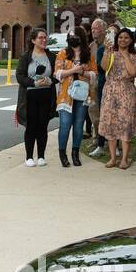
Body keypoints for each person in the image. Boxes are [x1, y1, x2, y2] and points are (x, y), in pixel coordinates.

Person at [97, 26, 136, 168]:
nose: (123, 40)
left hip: (126, 91)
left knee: (125, 124)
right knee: (111, 123)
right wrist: (106, 51)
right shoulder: (111, 52)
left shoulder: (134, 55)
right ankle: (113, 158)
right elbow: (103, 67)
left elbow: (133, 72)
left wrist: (125, 55)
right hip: (110, 90)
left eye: (126, 37)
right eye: (120, 37)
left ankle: (124, 159)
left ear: (131, 40)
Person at [53, 26, 96, 167]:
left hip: (83, 95)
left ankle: (75, 153)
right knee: (65, 125)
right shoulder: (62, 53)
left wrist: (83, 72)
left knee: (78, 125)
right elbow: (57, 74)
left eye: (75, 37)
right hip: (66, 96)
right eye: (70, 37)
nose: (72, 39)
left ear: (81, 38)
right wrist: (73, 70)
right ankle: (62, 154)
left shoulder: (88, 54)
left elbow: (94, 74)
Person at [16, 28, 57, 166]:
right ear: (33, 40)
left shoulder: (51, 57)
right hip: (30, 95)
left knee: (43, 126)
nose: (44, 40)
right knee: (31, 126)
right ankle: (29, 157)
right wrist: (33, 82)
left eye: (45, 37)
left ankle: (41, 156)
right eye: (40, 38)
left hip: (46, 95)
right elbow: (20, 76)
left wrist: (50, 81)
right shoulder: (26, 57)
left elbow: (57, 75)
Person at [87, 18, 108, 157]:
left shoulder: (109, 44)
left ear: (103, 30)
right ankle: (97, 138)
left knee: (108, 114)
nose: (93, 31)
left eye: (95, 28)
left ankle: (109, 141)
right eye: (92, 28)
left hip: (108, 83)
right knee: (94, 113)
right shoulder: (91, 46)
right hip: (94, 85)